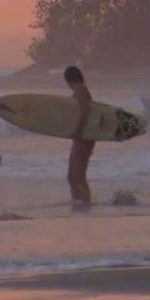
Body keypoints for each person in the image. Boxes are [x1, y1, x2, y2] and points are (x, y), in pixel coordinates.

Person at [64, 65, 95, 210]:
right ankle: (77, 201)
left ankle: (85, 202)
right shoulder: (79, 89)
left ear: (68, 79)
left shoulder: (80, 89)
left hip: (85, 135)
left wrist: (77, 130)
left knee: (78, 175)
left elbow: (84, 111)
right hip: (81, 136)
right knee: (71, 176)